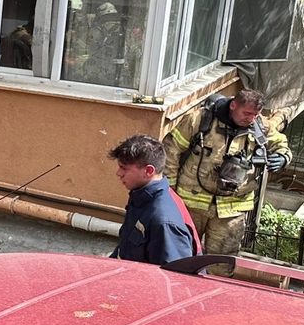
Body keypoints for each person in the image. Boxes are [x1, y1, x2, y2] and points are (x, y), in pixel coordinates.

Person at [164, 89, 291, 276]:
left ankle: (212, 300)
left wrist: (282, 157)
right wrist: (170, 193)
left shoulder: (259, 126)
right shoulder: (199, 120)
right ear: (233, 105)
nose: (250, 119)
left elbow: (281, 144)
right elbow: (170, 151)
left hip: (232, 210)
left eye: (255, 115)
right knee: (182, 256)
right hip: (191, 202)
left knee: (221, 263)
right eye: (247, 113)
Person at [108, 135, 199, 265]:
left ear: (149, 171)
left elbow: (174, 278)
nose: (118, 173)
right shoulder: (142, 196)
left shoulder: (164, 221)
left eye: (124, 168)